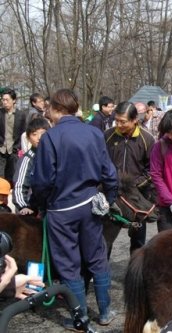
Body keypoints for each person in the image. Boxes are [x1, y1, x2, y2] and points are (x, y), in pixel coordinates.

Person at [30, 89, 119, 328]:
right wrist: (109, 198)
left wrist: (41, 204)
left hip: (61, 210)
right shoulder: (94, 132)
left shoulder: (50, 137)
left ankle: (81, 319)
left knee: (69, 265)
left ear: (57, 108)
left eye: (49, 107)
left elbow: (41, 181)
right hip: (89, 205)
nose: (47, 111)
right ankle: (105, 312)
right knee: (97, 258)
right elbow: (109, 173)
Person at [104, 102, 156, 253]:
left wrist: (133, 186)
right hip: (112, 197)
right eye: (116, 120)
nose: (118, 125)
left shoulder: (147, 139)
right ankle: (101, 273)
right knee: (105, 240)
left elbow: (151, 170)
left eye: (123, 121)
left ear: (135, 120)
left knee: (138, 240)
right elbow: (102, 164)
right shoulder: (107, 136)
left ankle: (135, 272)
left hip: (136, 198)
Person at [12, 118, 50, 215]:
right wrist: (23, 206)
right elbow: (20, 185)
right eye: (34, 134)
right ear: (28, 138)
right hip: (36, 209)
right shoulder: (27, 159)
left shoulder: (55, 155)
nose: (39, 137)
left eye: (42, 133)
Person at [0, 88, 28, 184]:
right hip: (1, 150)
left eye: (7, 100)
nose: (4, 102)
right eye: (3, 100)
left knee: (12, 177)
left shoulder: (21, 115)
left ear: (14, 100)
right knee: (1, 177)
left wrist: (18, 147)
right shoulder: (0, 113)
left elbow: (23, 133)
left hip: (14, 151)